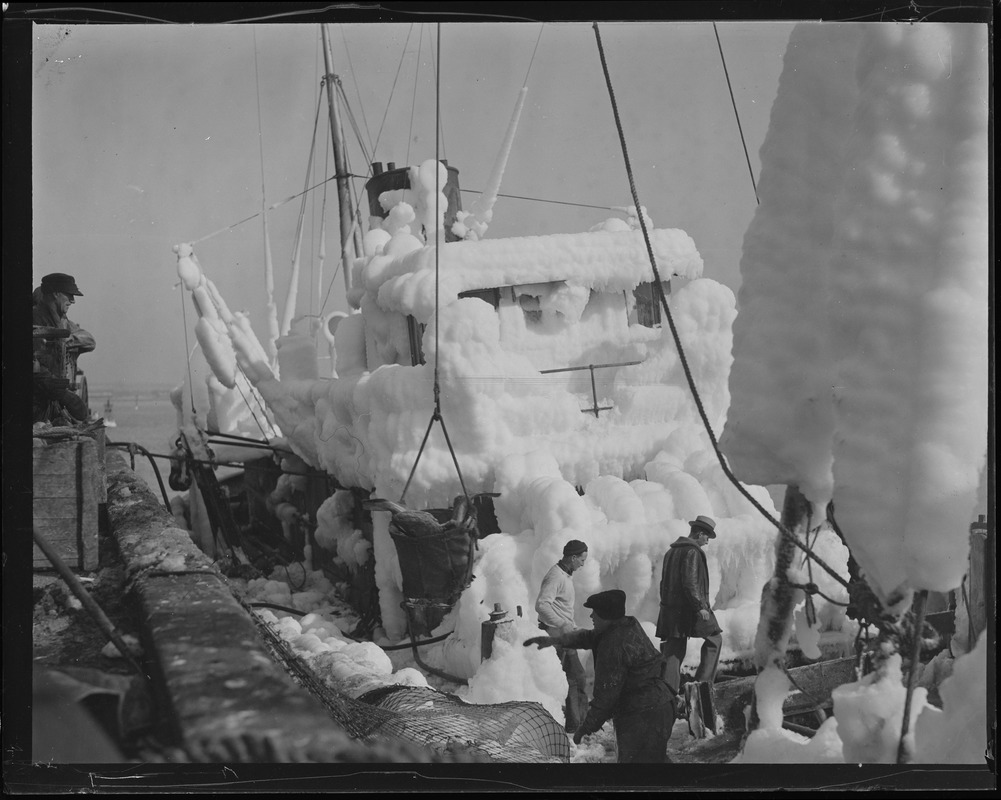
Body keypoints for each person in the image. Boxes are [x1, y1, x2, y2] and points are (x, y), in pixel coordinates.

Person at [525, 589, 674, 763]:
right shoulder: (626, 624)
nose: (591, 617)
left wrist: (585, 727)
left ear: (606, 615)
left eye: (595, 612)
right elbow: (589, 637)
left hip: (644, 716)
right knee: (655, 764)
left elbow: (606, 696)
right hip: (660, 705)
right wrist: (556, 640)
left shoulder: (613, 644)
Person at [656, 515, 723, 695]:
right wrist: (700, 606)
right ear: (700, 533)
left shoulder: (671, 551)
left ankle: (669, 695)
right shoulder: (692, 551)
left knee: (673, 650)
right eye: (707, 537)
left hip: (671, 610)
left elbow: (663, 584)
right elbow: (690, 582)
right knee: (715, 638)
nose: (707, 542)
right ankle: (701, 689)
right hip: (690, 609)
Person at [535, 540, 590, 733]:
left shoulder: (565, 575)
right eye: (582, 560)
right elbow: (542, 605)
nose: (583, 564)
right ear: (573, 557)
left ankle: (578, 722)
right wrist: (563, 624)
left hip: (564, 634)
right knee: (574, 678)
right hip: (556, 635)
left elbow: (560, 607)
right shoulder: (556, 576)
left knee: (575, 678)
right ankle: (575, 725)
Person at [32, 273, 95, 422]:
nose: (72, 300)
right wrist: (64, 395)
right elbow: (34, 369)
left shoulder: (63, 322)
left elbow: (90, 341)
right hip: (36, 404)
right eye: (69, 295)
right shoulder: (34, 319)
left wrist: (66, 341)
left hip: (53, 402)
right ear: (55, 294)